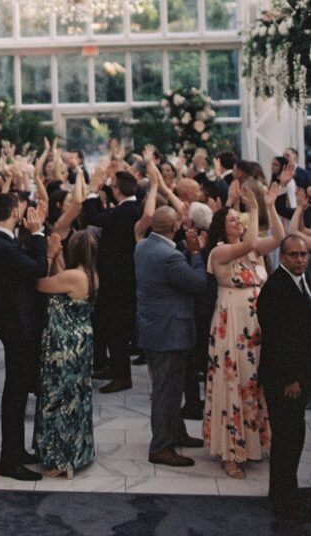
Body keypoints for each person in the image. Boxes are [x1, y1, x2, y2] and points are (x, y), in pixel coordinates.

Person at [203, 183, 285, 479]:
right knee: (232, 380)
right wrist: (253, 208)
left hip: (255, 322)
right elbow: (249, 245)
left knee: (254, 380)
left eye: (240, 218)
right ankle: (230, 452)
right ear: (222, 227)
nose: (238, 221)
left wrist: (271, 206)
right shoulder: (220, 251)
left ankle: (253, 443)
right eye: (232, 219)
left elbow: (279, 238)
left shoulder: (251, 247)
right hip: (231, 322)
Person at [134, 207, 207, 467]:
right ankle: (161, 447)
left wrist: (185, 251)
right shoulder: (168, 256)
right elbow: (198, 283)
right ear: (175, 226)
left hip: (153, 327)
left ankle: (175, 432)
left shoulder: (143, 246)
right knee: (167, 390)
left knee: (169, 387)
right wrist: (196, 252)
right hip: (170, 331)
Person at [0, 193, 48, 481]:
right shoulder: (0, 243)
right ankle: (9, 460)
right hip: (15, 325)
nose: (27, 213)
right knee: (15, 392)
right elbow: (37, 269)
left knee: (19, 390)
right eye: (22, 209)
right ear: (13, 211)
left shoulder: (1, 239)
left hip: (16, 322)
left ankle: (17, 450)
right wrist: (38, 234)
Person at [35, 229, 98, 478]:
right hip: (81, 342)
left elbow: (41, 284)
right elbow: (62, 279)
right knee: (76, 396)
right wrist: (58, 257)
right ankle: (76, 452)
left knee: (60, 399)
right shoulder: (89, 274)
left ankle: (62, 459)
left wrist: (48, 256)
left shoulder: (74, 276)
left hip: (65, 346)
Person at [257, 234, 311, 522]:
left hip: (297, 376)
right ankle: (284, 500)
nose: (300, 260)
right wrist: (291, 378)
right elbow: (279, 339)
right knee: (287, 439)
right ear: (283, 256)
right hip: (284, 379)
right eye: (294, 255)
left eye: (304, 254)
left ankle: (285, 491)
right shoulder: (276, 288)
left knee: (293, 436)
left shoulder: (300, 282)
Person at [89, 170, 142, 392]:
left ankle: (122, 375)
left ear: (117, 190)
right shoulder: (130, 207)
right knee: (110, 324)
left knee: (117, 325)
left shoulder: (126, 211)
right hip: (119, 275)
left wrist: (93, 191)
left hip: (119, 278)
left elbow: (95, 218)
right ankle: (115, 366)